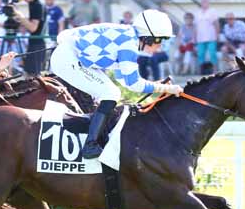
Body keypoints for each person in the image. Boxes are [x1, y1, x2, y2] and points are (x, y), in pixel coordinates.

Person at [50, 9, 184, 159]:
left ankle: (94, 135)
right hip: (67, 59)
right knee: (111, 93)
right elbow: (134, 84)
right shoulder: (129, 45)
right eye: (159, 40)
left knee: (111, 93)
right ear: (147, 37)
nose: (160, 46)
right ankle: (90, 145)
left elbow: (123, 80)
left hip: (71, 56)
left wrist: (156, 86)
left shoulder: (128, 36)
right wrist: (167, 88)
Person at [12, 0, 46, 77]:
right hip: (34, 42)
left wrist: (19, 15)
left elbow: (33, 28)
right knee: (29, 74)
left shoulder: (37, 4)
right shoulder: (33, 3)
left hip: (38, 43)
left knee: (34, 77)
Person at [195, 0, 219, 74]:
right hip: (200, 38)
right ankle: (200, 71)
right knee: (200, 54)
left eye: (206, 1)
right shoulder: (197, 12)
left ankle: (215, 71)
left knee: (212, 54)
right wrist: (195, 37)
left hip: (211, 37)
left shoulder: (212, 11)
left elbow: (216, 24)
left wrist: (217, 35)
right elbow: (196, 26)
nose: (204, 3)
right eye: (203, 1)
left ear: (208, 2)